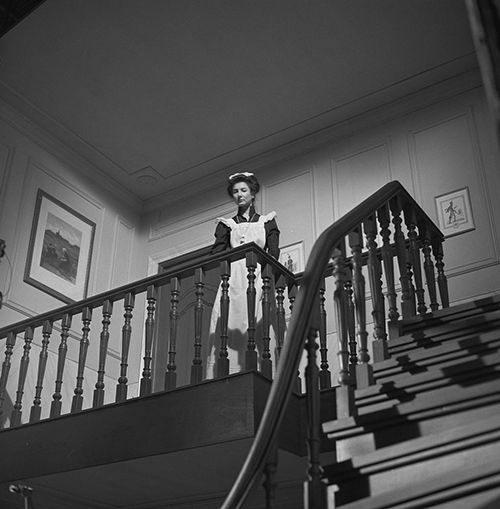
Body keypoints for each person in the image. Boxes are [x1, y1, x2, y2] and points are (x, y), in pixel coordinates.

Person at [206, 172, 280, 378]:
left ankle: (260, 369)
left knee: (258, 319)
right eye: (235, 191)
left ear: (252, 193)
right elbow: (216, 253)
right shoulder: (227, 224)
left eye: (243, 190)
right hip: (234, 279)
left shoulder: (266, 221)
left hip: (259, 277)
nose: (239, 195)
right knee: (231, 319)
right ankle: (228, 371)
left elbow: (273, 252)